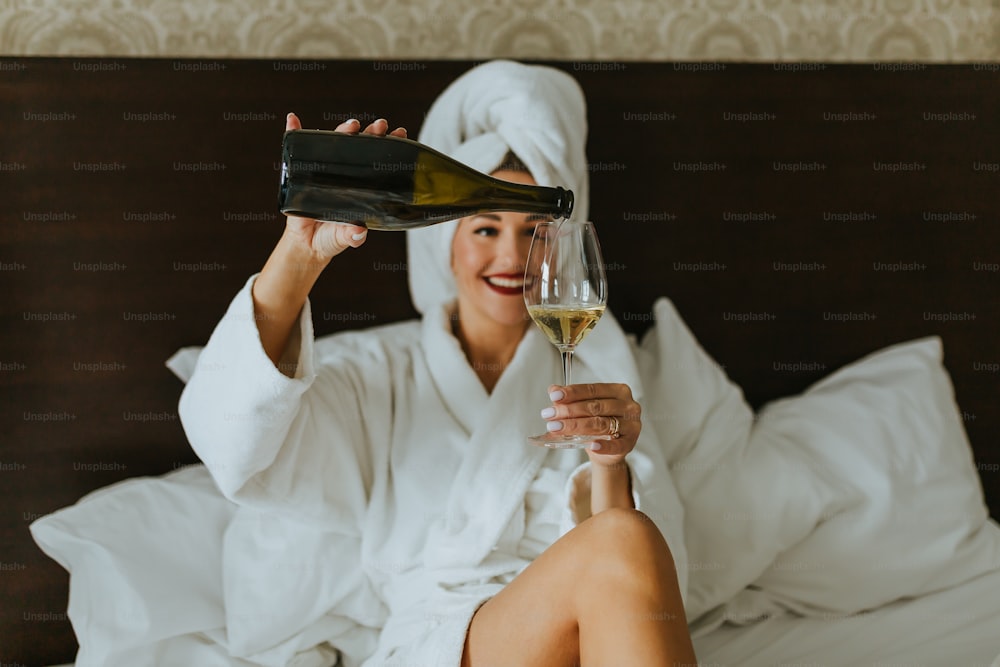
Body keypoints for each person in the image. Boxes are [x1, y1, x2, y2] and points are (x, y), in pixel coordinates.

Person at [179, 60, 696, 667]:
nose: (511, 256)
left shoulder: (601, 371)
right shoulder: (378, 372)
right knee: (622, 536)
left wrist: (611, 465)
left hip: (593, 648)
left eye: (535, 232)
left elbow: (658, 591)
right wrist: (298, 254)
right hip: (445, 644)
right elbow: (232, 443)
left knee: (625, 535)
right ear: (441, 240)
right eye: (484, 228)